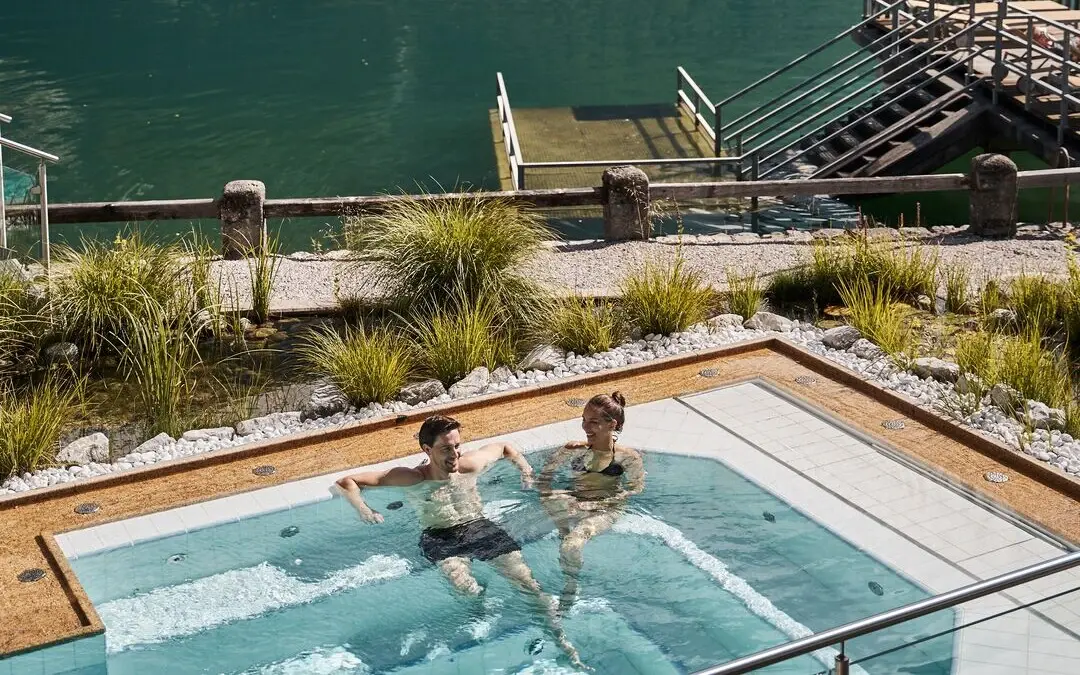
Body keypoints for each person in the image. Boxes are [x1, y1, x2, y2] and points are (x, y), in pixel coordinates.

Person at [334, 414, 585, 668]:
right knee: (466, 589)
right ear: (427, 449)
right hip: (440, 536)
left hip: (480, 528)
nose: (454, 454)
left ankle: (562, 641)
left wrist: (525, 470)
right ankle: (480, 603)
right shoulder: (412, 478)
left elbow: (505, 448)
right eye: (446, 448)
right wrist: (364, 510)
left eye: (457, 446)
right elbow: (347, 482)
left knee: (529, 586)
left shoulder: (469, 465)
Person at [537, 391, 645, 611]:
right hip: (575, 501)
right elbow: (544, 481)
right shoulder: (574, 451)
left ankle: (571, 584)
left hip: (606, 509)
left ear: (611, 425)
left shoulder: (626, 457)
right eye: (584, 421)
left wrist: (598, 505)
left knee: (572, 545)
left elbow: (635, 489)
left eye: (593, 422)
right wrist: (554, 489)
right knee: (553, 498)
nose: (585, 428)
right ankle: (563, 532)